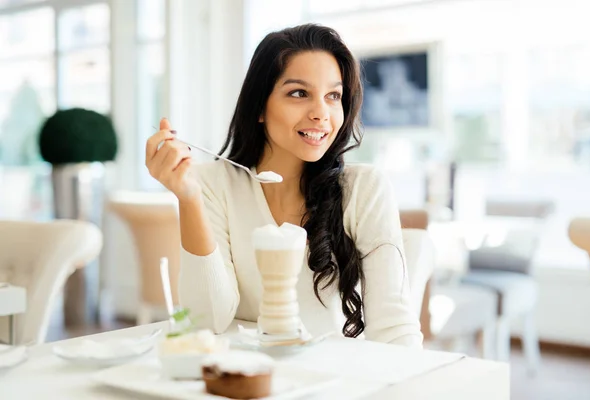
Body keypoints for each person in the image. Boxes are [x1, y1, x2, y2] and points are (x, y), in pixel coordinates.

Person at [145, 24, 423, 347]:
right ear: (260, 106)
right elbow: (207, 320)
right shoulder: (211, 184)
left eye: (333, 96)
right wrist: (189, 198)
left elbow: (394, 330)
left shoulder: (365, 189)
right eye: (299, 93)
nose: (321, 113)